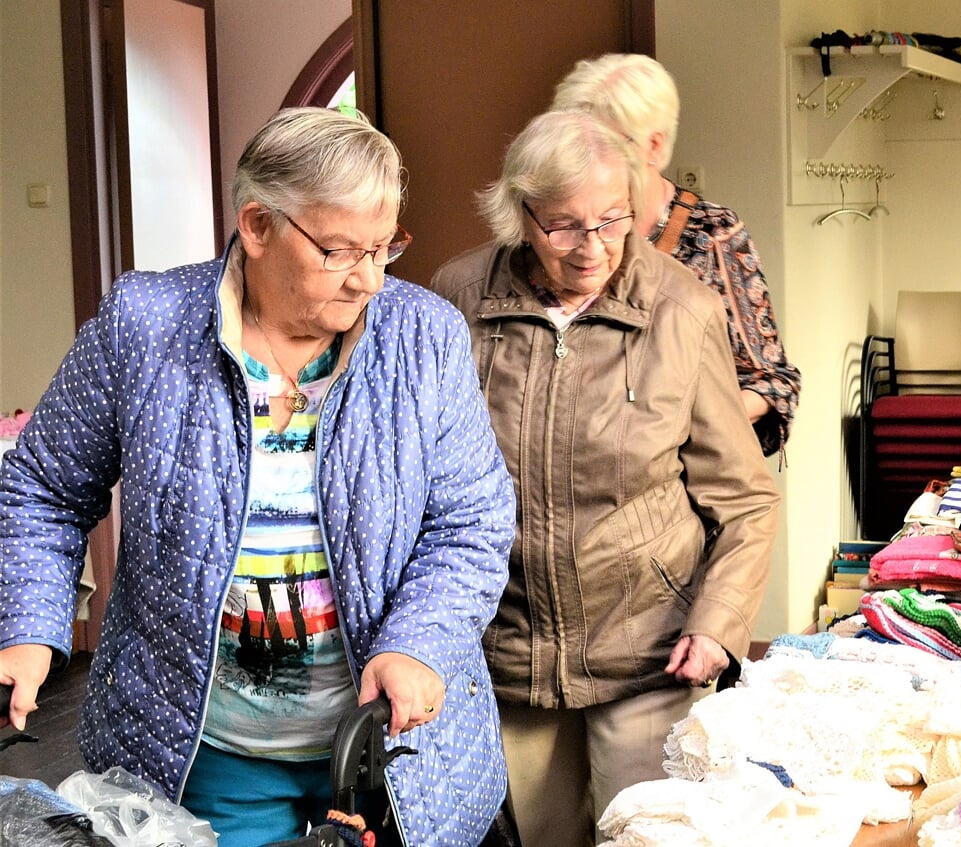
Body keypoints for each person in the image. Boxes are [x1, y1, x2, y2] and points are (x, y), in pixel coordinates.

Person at [0, 107, 516, 847]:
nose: (369, 277)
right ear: (257, 225)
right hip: (207, 748)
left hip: (392, 748)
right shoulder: (144, 324)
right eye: (341, 250)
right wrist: (26, 626)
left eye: (384, 247)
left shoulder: (423, 335)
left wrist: (420, 642)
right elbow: (43, 487)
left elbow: (472, 518)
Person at [430, 110, 780, 847]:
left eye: (612, 220)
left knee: (647, 838)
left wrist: (717, 624)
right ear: (521, 214)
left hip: (648, 655)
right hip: (507, 659)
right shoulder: (456, 299)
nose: (592, 247)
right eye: (563, 226)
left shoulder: (681, 307)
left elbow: (745, 498)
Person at [550, 53, 801, 458]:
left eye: (607, 142)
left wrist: (678, 430)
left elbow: (773, 382)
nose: (587, 156)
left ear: (654, 145)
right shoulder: (549, 233)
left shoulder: (711, 235)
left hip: (678, 486)